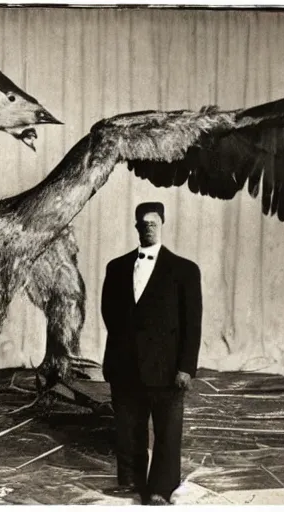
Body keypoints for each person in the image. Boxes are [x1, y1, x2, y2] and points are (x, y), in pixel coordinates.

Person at [101, 201, 203, 505]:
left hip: (167, 367)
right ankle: (132, 481)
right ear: (136, 226)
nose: (148, 227)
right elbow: (110, 313)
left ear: (162, 225)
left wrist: (186, 367)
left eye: (153, 223)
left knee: (167, 432)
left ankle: (161, 487)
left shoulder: (184, 270)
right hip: (126, 365)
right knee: (129, 427)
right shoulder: (116, 267)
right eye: (143, 223)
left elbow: (192, 323)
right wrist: (121, 351)